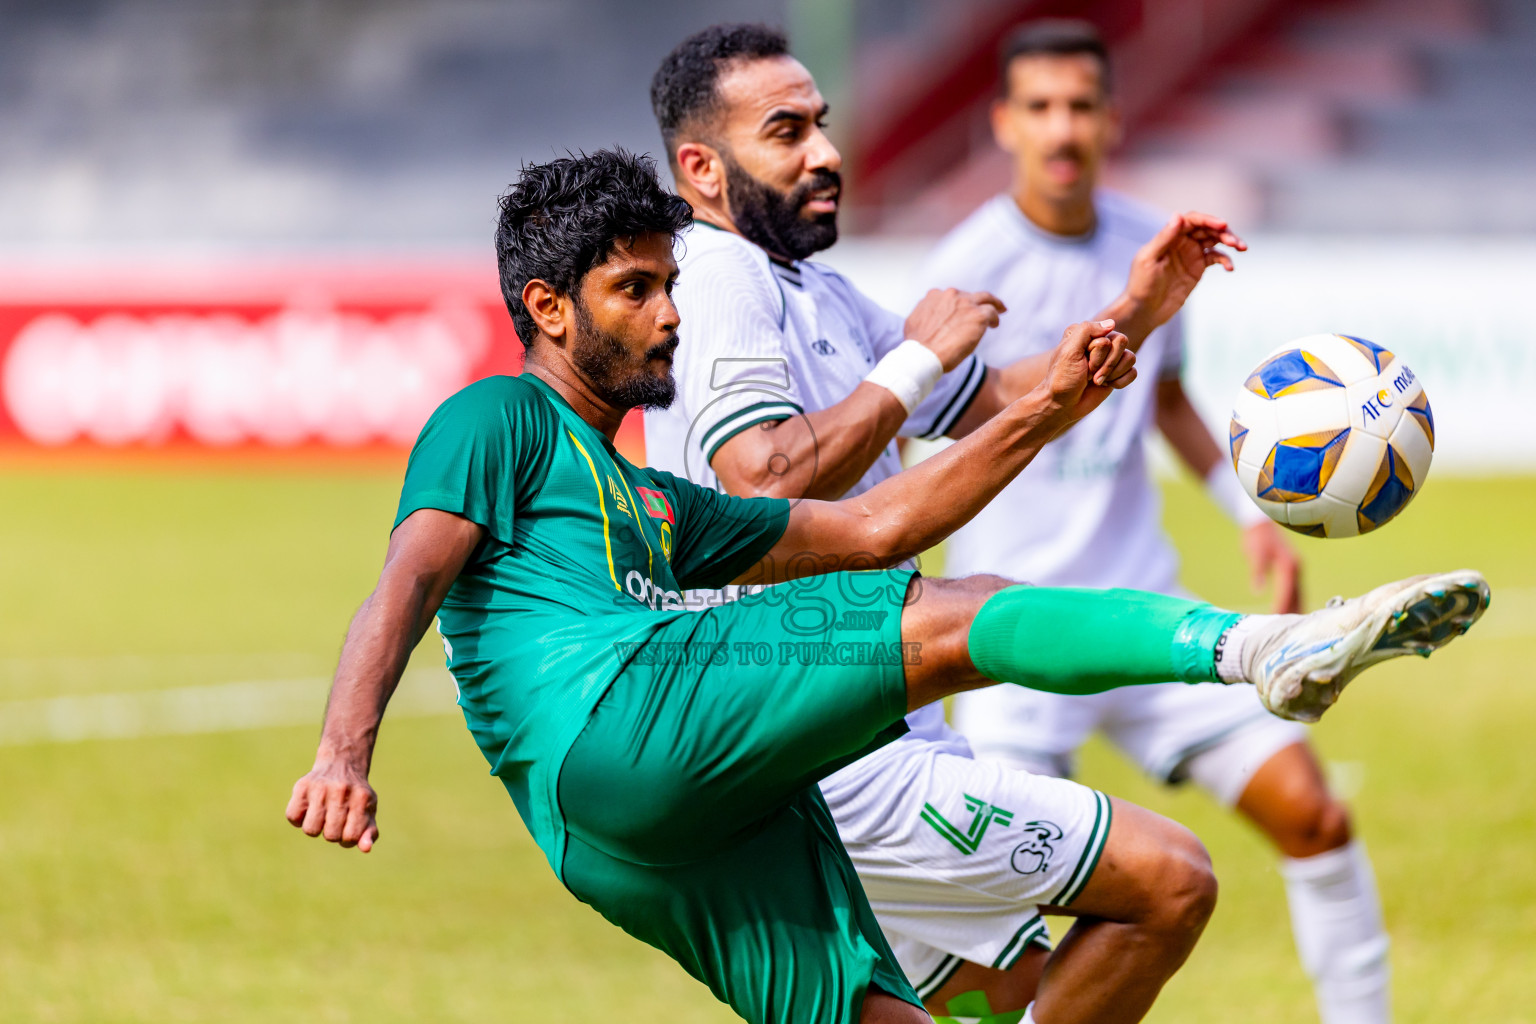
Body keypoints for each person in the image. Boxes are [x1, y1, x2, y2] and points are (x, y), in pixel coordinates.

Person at [285, 148, 1487, 1024]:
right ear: (545, 309)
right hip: (621, 722)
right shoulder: (497, 416)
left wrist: (1060, 403)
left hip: (622, 836)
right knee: (955, 612)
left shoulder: (651, 500)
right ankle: (1254, 652)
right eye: (634, 292)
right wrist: (345, 751)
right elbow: (409, 574)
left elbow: (872, 526)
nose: (669, 315)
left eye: (669, 284)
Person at [643, 23, 1254, 1022]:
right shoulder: (719, 276)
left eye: (822, 126)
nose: (826, 152)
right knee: (1169, 883)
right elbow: (761, 479)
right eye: (786, 131)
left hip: (853, 721)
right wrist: (913, 362)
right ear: (702, 169)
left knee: (1003, 983)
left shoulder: (813, 286)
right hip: (822, 736)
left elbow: (992, 397)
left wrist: (1138, 309)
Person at [924, 21, 1394, 1024]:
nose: (1063, 128)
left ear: (1111, 119)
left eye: (1081, 106)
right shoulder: (968, 272)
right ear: (1004, 123)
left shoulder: (1151, 243)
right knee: (1004, 924)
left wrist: (1247, 510)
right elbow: (942, 432)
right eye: (1041, 107)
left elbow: (1167, 401)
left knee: (1314, 816)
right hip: (1013, 636)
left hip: (1146, 606)